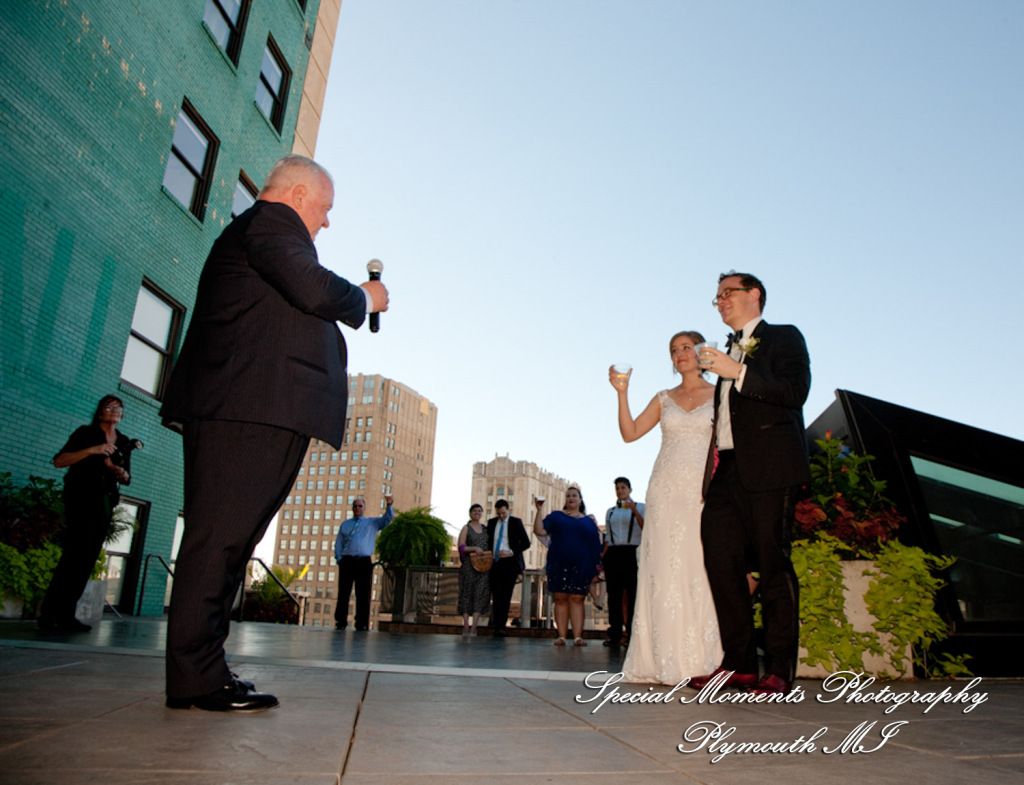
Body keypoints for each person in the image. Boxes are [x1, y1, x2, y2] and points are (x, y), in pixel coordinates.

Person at [159, 154, 389, 713]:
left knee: (232, 542)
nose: (327, 221)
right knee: (219, 540)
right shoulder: (270, 224)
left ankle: (203, 668)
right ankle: (194, 676)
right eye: (325, 208)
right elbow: (312, 288)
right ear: (299, 195)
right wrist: (365, 298)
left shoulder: (265, 233)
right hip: (246, 408)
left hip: (257, 407)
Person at [690, 271, 810, 696]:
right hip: (727, 471)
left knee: (773, 565)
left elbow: (795, 391)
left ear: (754, 294)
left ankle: (779, 669)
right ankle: (738, 666)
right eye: (717, 297)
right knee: (721, 564)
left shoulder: (784, 336)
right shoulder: (726, 349)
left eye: (728, 293)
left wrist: (738, 371)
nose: (721, 301)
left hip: (771, 468)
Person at [609, 332, 724, 683]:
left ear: (702, 351)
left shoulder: (721, 393)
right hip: (663, 492)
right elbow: (629, 433)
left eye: (686, 347)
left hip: (701, 493)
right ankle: (658, 659)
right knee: (662, 568)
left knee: (699, 566)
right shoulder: (663, 398)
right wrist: (622, 392)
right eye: (674, 350)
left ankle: (704, 661)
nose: (679, 354)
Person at [39, 395, 133, 633]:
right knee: (74, 555)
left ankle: (66, 615)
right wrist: (93, 450)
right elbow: (59, 461)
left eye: (118, 408)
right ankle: (49, 615)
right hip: (80, 499)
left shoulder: (123, 441)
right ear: (100, 412)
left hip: (104, 502)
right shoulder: (85, 433)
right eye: (109, 407)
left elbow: (127, 477)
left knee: (88, 558)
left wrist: (117, 470)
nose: (114, 411)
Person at [533, 487, 602, 646]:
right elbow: (539, 531)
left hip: (581, 565)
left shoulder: (589, 521)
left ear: (580, 500)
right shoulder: (556, 516)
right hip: (559, 563)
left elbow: (595, 546)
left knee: (577, 599)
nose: (571, 498)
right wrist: (539, 510)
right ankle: (561, 636)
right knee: (560, 598)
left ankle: (578, 637)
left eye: (574, 496)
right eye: (568, 496)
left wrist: (596, 569)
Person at [334, 495, 394, 631]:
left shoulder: (372, 523)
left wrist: (389, 505)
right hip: (347, 561)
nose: (357, 508)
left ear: (364, 508)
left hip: (363, 562)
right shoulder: (345, 524)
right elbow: (339, 543)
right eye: (355, 506)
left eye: (360, 506)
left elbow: (387, 519)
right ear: (352, 508)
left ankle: (361, 623)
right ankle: (341, 622)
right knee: (343, 593)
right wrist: (339, 559)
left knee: (363, 594)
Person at [602, 477, 644, 648]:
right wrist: (603, 555)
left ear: (630, 490)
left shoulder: (640, 507)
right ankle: (615, 633)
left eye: (623, 488)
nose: (620, 491)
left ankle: (632, 633)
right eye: (617, 488)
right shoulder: (610, 511)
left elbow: (646, 527)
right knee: (614, 595)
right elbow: (608, 536)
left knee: (632, 594)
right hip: (614, 553)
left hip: (632, 551)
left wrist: (634, 511)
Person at [486, 499, 531, 637]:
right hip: (495, 563)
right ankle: (496, 624)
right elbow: (488, 541)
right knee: (496, 594)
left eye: (503, 513)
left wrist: (511, 551)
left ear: (508, 509)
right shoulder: (492, 523)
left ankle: (501, 626)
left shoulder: (516, 522)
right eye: (499, 513)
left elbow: (526, 543)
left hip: (510, 563)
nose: (501, 516)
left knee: (506, 595)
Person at [456, 503, 490, 636]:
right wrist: (474, 549)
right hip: (469, 566)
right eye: (474, 511)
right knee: (467, 593)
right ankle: (465, 625)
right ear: (470, 513)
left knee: (480, 593)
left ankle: (474, 626)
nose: (477, 513)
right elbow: (461, 546)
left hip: (484, 566)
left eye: (479, 511)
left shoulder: (485, 529)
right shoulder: (466, 528)